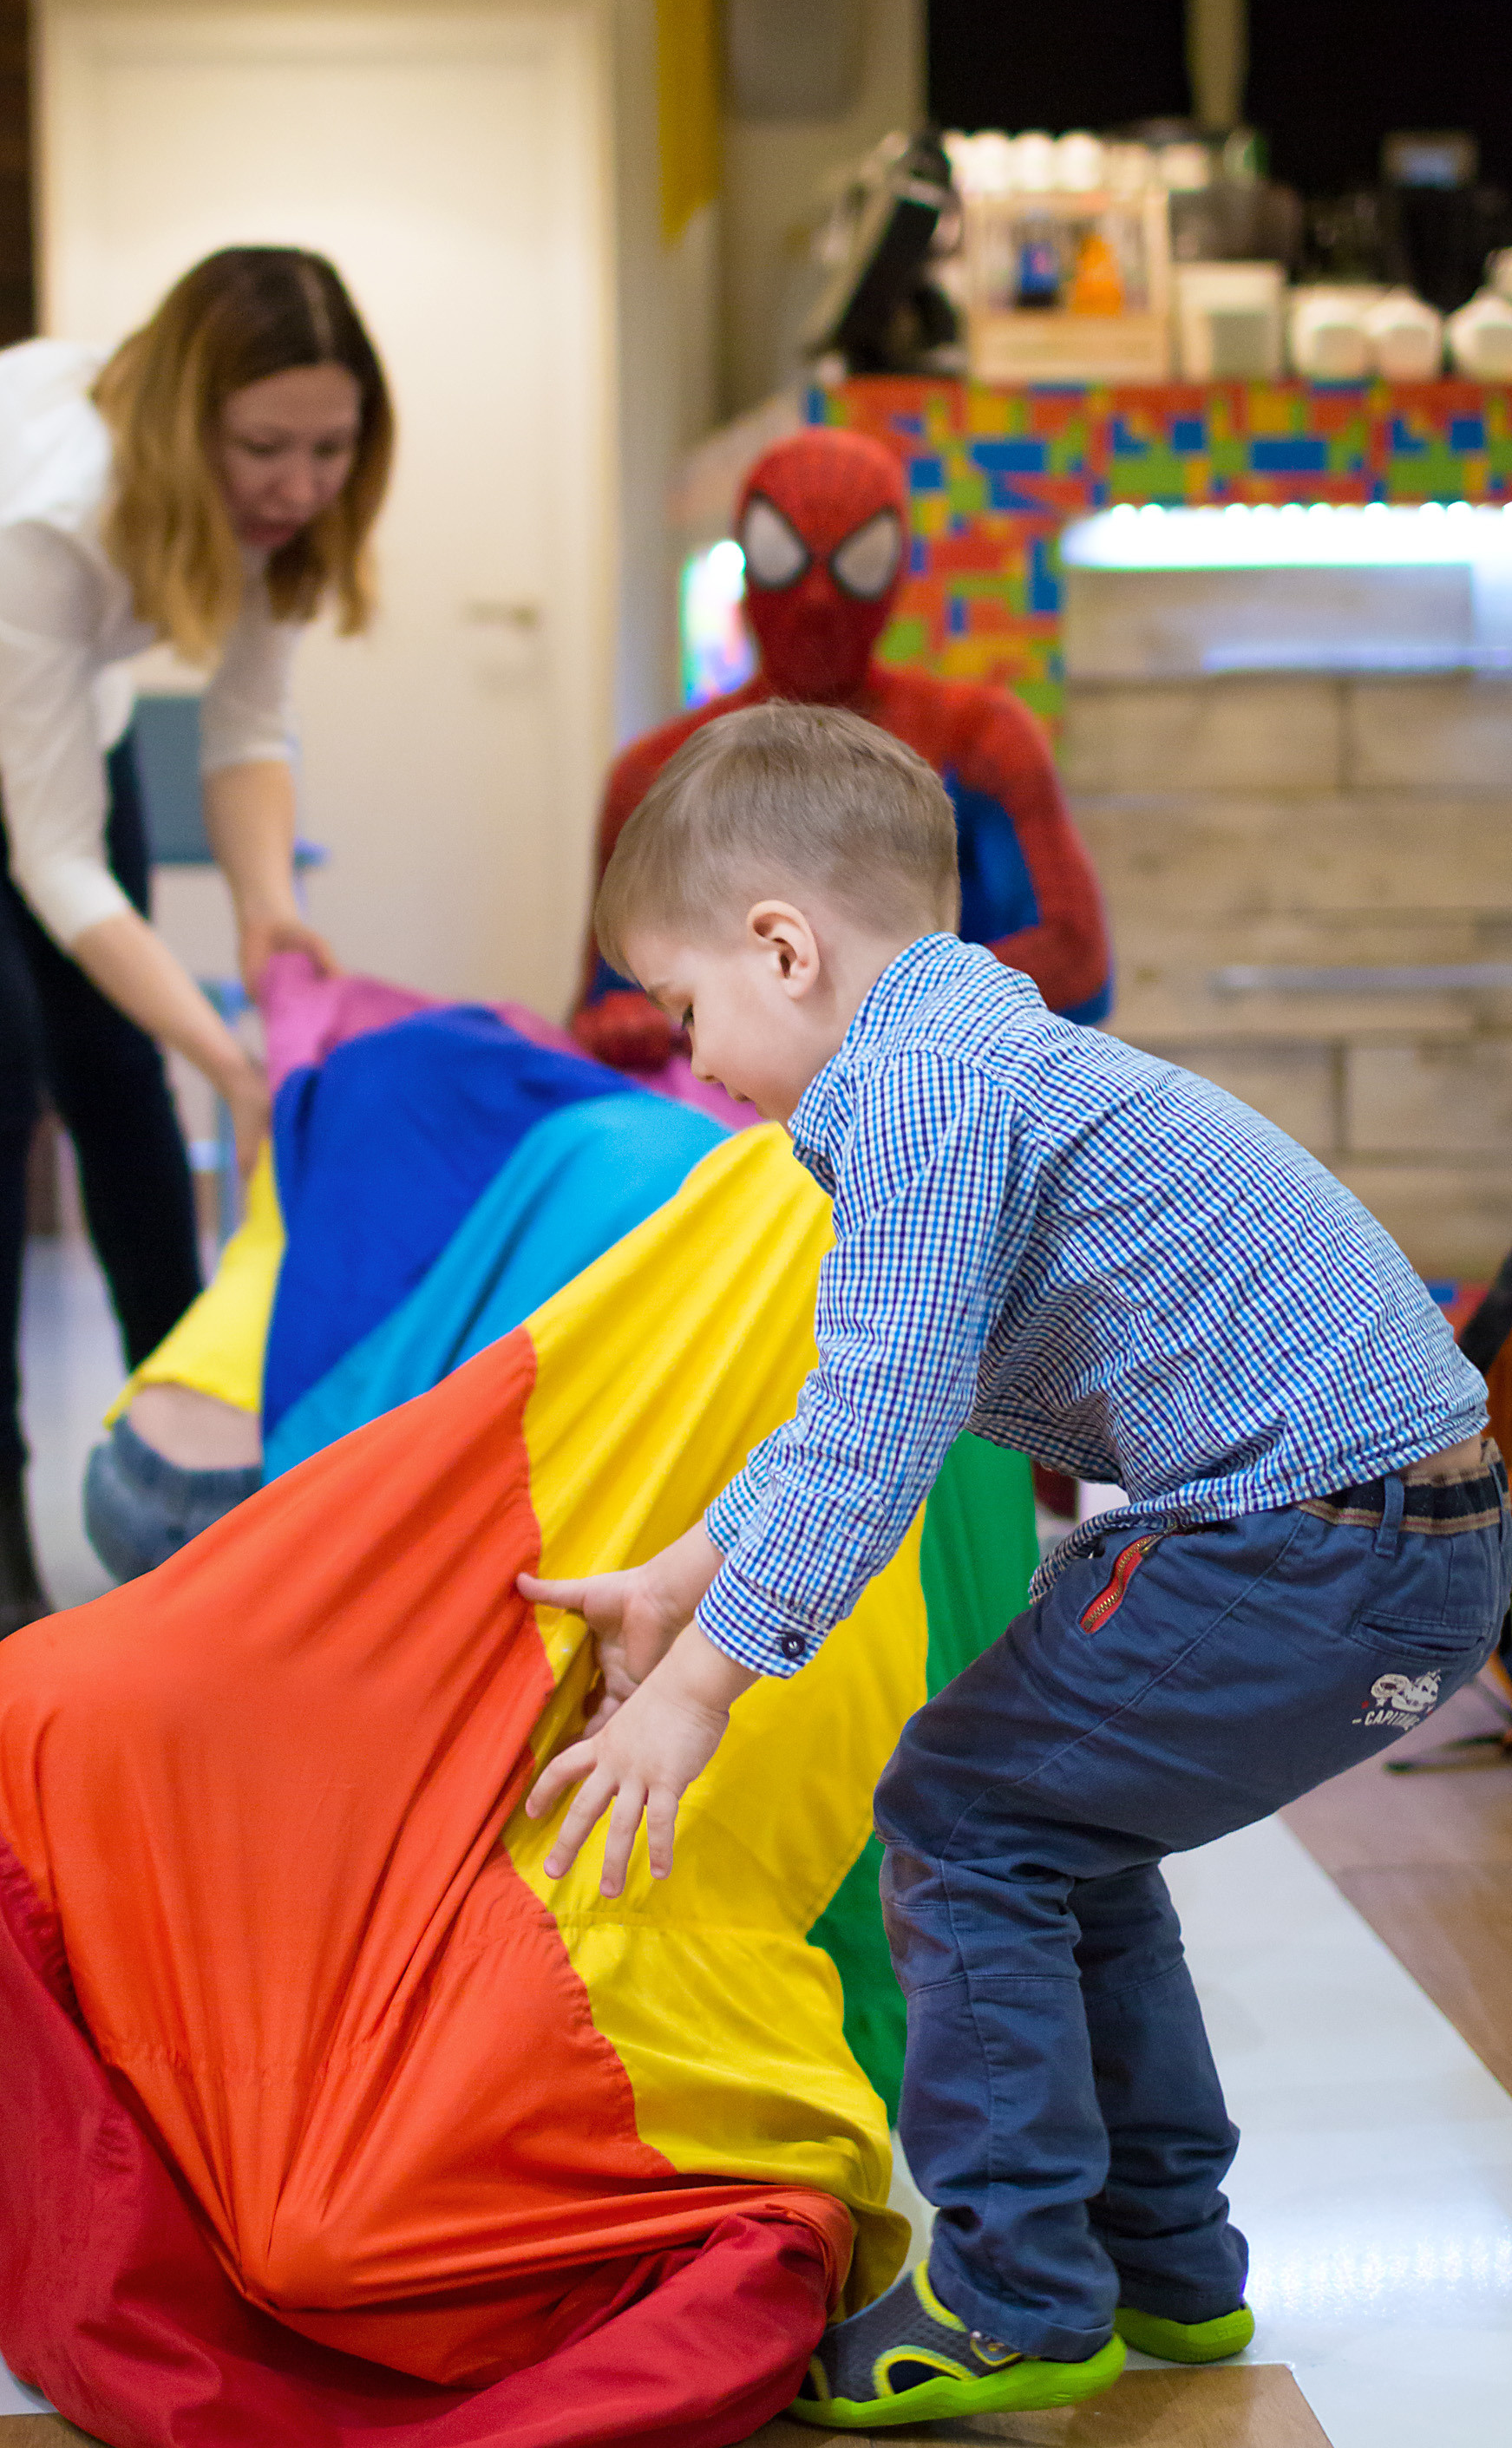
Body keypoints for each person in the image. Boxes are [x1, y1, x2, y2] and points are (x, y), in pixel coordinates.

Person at [523, 701, 1508, 2426]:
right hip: (1406, 1542)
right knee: (1060, 1830)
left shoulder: (918, 1088)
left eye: (683, 1011)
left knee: (962, 1814)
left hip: (1300, 1540)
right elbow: (861, 1399)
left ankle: (1013, 2294)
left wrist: (697, 1693)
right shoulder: (976, 1056)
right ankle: (1161, 2264)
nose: (694, 1061)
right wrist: (685, 1572)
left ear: (783, 949)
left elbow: (880, 1419)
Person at [0, 247, 392, 1662]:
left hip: (50, 707)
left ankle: (182, 1450)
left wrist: (266, 914)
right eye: (264, 448)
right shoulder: (55, 506)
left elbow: (245, 731)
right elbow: (54, 864)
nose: (299, 486)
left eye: (331, 448)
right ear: (188, 420)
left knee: (113, 1064)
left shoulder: (287, 512)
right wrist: (228, 1057)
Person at [571, 427, 1111, 1069]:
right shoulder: (653, 776)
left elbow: (1076, 958)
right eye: (785, 556)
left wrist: (848, 1021)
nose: (818, 597)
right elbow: (606, 1002)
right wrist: (626, 1022)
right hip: (732, 1103)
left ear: (895, 566)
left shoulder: (978, 740)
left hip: (938, 1088)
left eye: (856, 561)